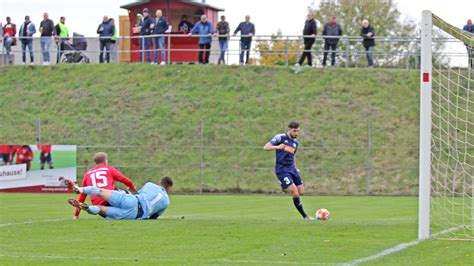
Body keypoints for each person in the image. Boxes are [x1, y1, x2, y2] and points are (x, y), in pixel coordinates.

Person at [263, 122, 314, 220]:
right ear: (289, 129)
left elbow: (292, 155)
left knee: (301, 192)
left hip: (292, 168)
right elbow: (266, 147)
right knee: (294, 192)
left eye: (298, 131)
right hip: (282, 169)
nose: (296, 133)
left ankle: (284, 185)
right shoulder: (280, 138)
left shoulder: (295, 143)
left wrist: (296, 167)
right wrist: (277, 147)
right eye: (294, 131)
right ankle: (305, 216)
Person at [66, 176, 172, 220]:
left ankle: (80, 189)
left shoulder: (150, 185)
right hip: (134, 215)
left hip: (133, 201)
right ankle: (88, 208)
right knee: (100, 208)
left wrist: (127, 191)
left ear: (160, 182)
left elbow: (137, 194)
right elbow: (153, 217)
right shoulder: (166, 201)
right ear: (169, 187)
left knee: (100, 191)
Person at [69, 152, 137, 219]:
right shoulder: (109, 169)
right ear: (105, 161)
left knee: (103, 211)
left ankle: (91, 209)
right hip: (111, 199)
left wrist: (76, 215)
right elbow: (124, 179)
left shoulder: (88, 174)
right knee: (127, 195)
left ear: (95, 162)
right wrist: (132, 187)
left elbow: (82, 195)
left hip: (98, 204)